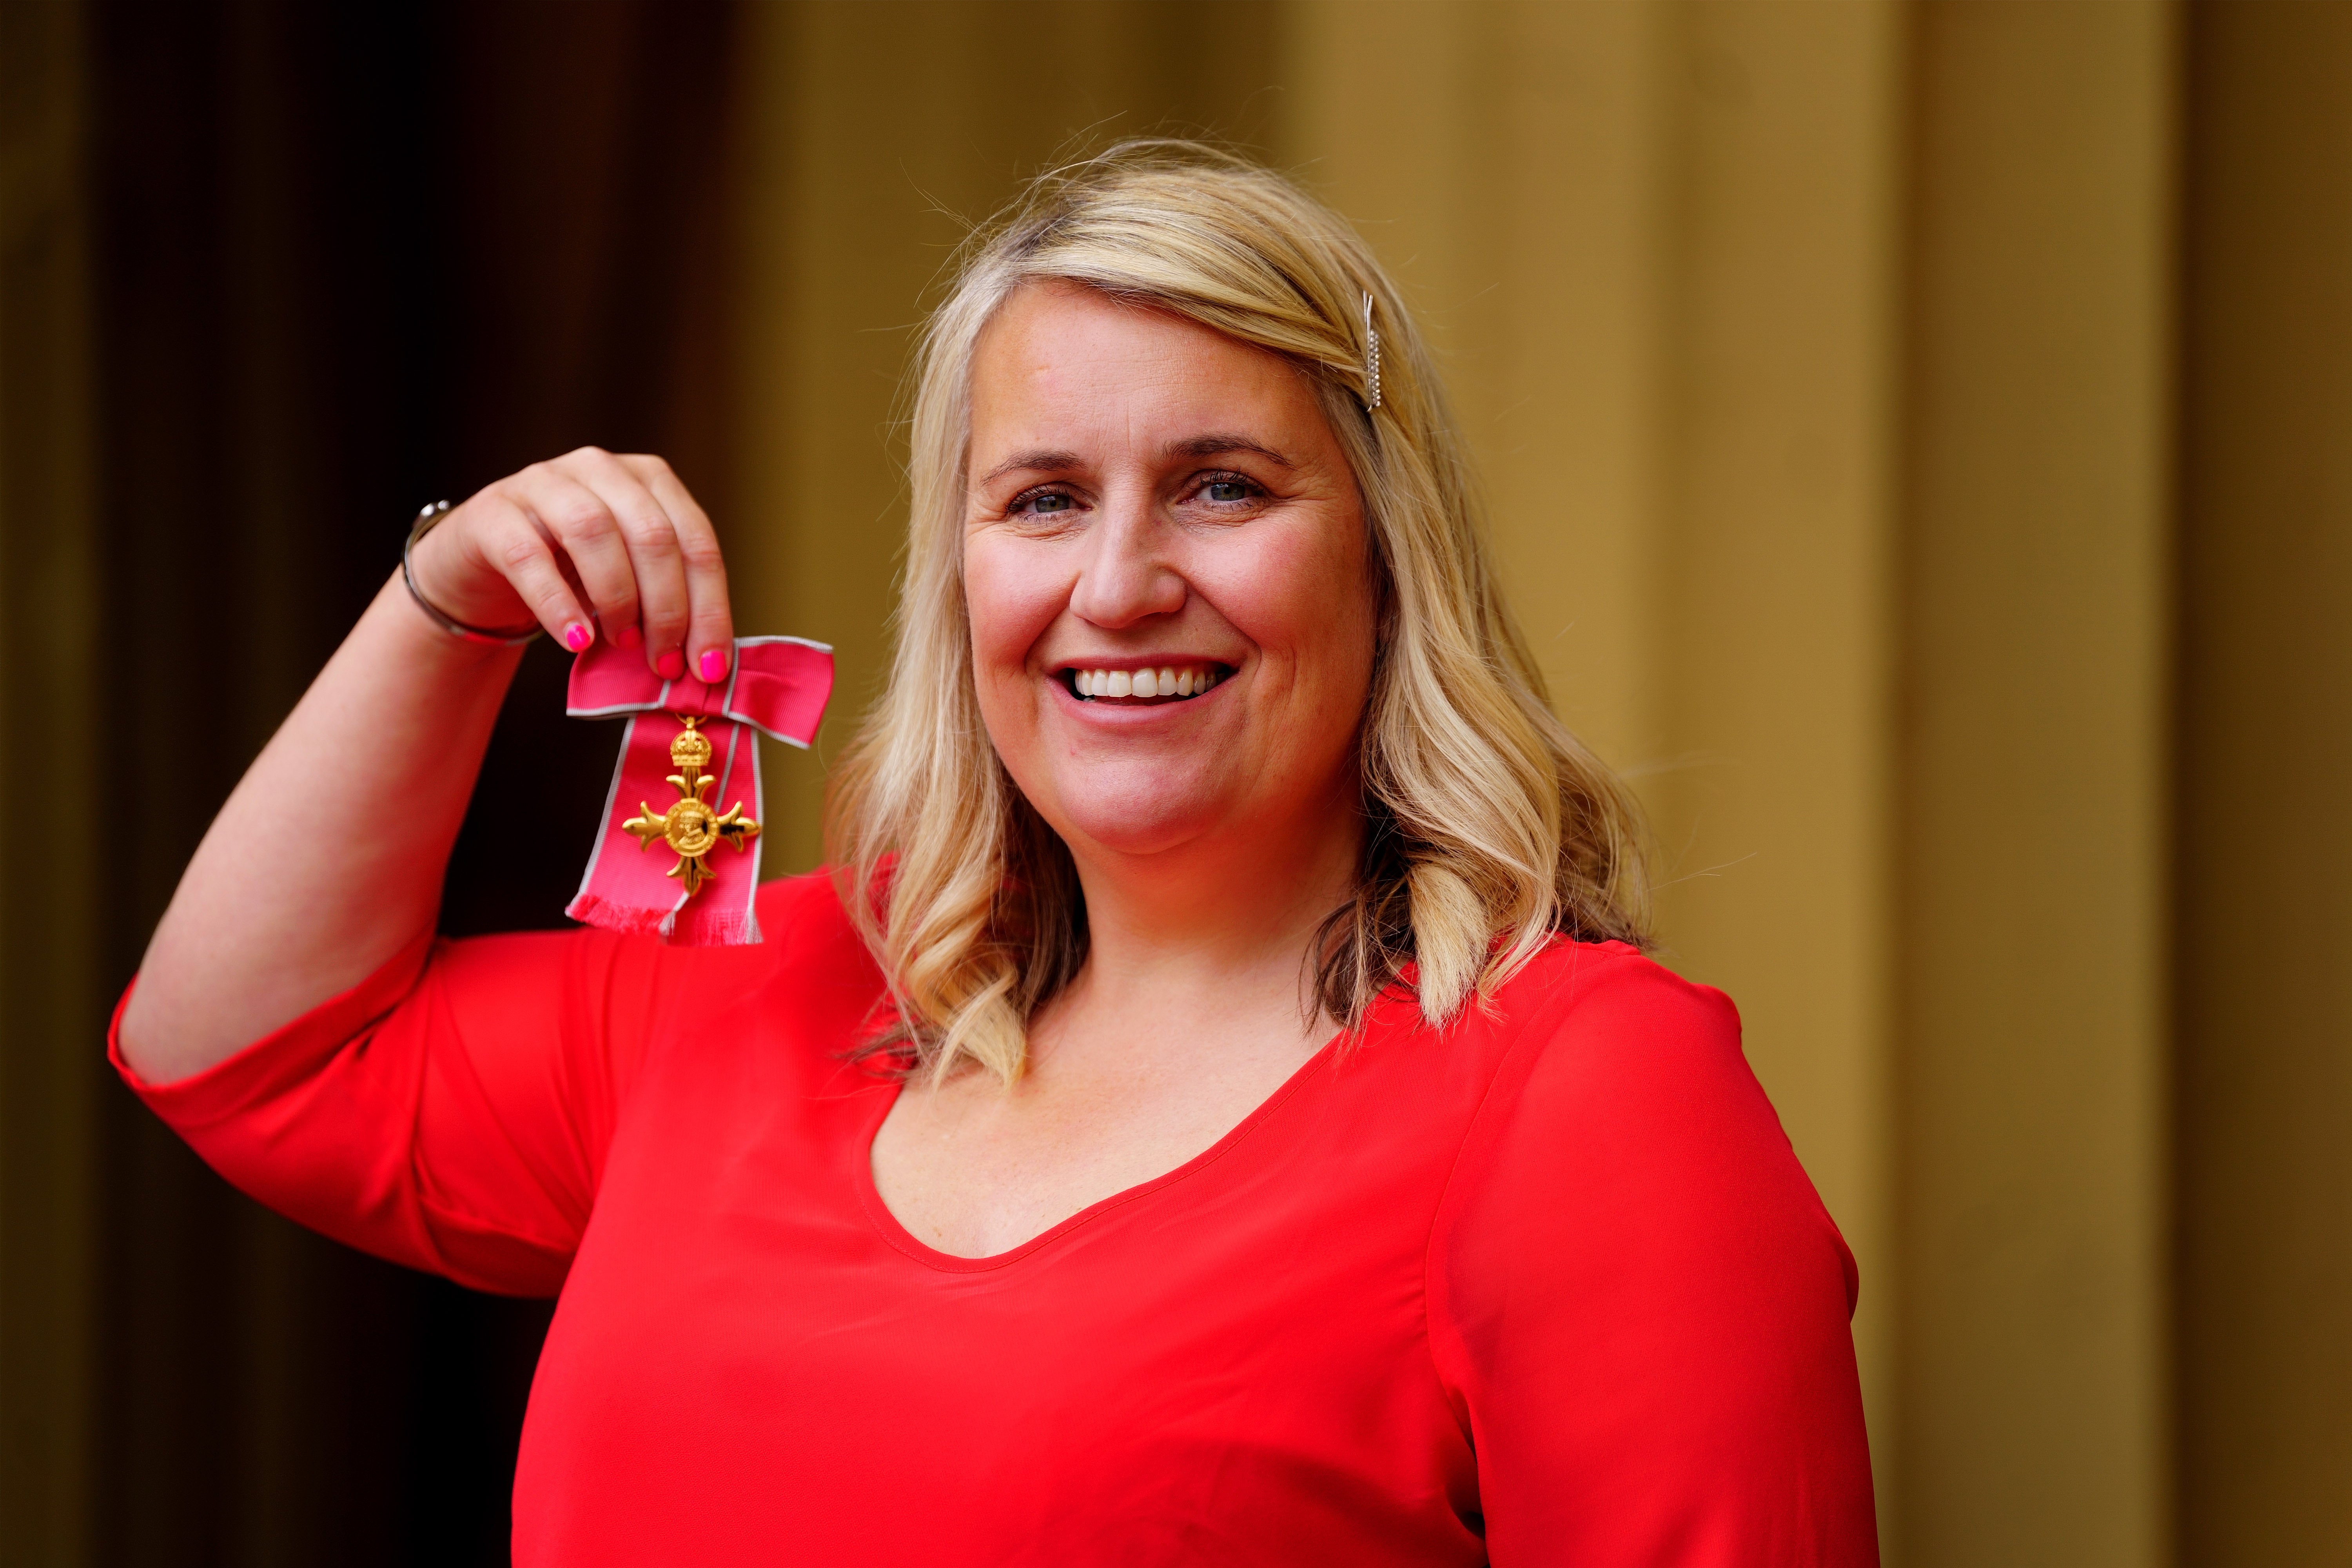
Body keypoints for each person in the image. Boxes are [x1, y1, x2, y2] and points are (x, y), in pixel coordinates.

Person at [115, 142, 1878, 1564]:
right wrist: (449, 605)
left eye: (1223, 486)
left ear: (1387, 562)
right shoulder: (769, 995)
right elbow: (244, 1047)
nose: (1117, 585)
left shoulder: (1582, 1092)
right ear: (958, 578)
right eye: (1042, 499)